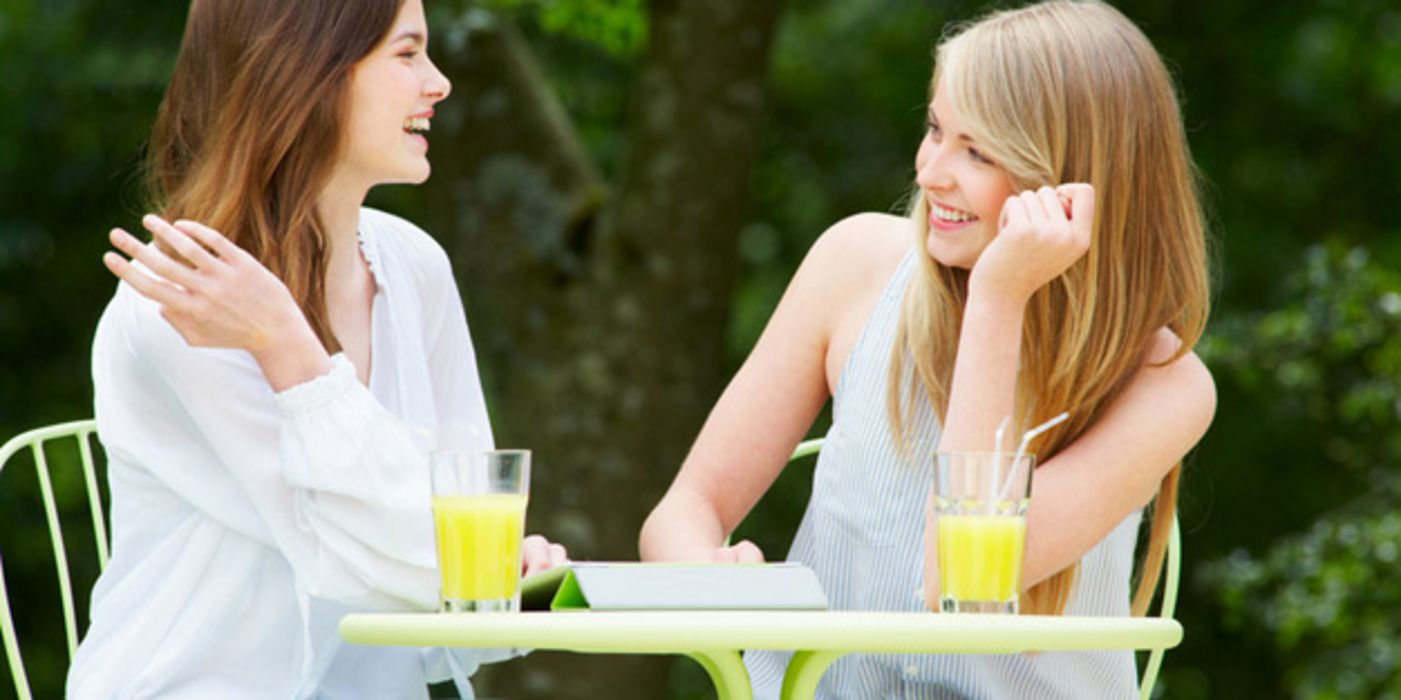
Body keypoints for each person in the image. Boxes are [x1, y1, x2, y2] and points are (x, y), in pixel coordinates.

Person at [639, 1, 1215, 697]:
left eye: (977, 151)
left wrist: (998, 299)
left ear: (1070, 179)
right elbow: (682, 510)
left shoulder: (1163, 383)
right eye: (935, 129)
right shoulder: (853, 264)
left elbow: (966, 584)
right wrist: (706, 573)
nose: (931, 172)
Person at [67, 0, 567, 697]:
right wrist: (286, 346)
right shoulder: (180, 298)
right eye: (406, 53)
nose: (438, 82)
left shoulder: (414, 264)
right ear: (307, 73)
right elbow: (366, 559)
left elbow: (466, 565)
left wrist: (504, 565)